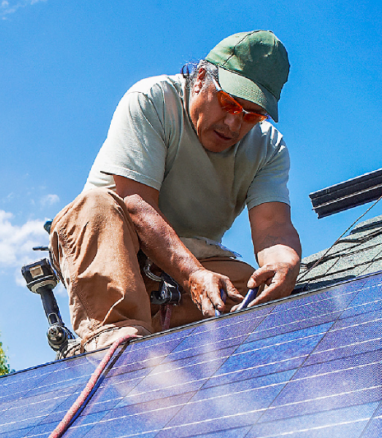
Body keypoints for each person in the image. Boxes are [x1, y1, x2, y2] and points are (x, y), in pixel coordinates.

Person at [49, 30, 302, 356]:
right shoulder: (152, 100)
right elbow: (136, 205)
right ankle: (117, 348)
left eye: (252, 115)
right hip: (117, 258)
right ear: (199, 78)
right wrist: (193, 275)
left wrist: (285, 263)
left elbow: (273, 227)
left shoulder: (269, 148)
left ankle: (160, 336)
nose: (233, 123)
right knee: (95, 206)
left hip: (190, 272)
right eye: (228, 102)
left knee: (255, 289)